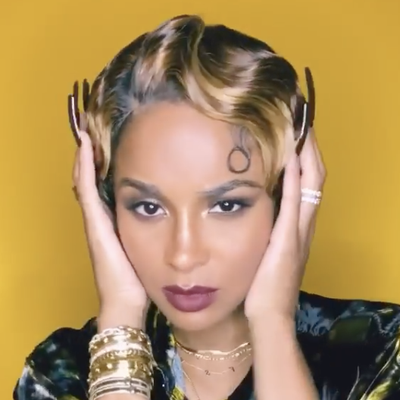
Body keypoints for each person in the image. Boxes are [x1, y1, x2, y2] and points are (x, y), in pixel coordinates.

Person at [13, 14, 400, 400]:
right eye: (148, 207)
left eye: (226, 205)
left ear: (286, 198)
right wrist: (120, 318)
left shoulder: (379, 352)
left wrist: (272, 323)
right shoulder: (59, 374)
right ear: (106, 205)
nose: (184, 255)